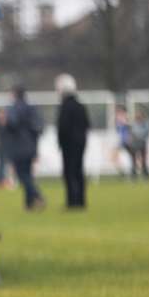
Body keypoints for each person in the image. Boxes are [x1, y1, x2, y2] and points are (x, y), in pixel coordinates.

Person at [3, 86, 44, 210]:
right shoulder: (32, 108)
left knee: (23, 176)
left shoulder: (14, 108)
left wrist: (5, 122)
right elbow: (38, 127)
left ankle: (37, 195)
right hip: (31, 146)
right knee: (28, 174)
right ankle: (29, 204)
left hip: (19, 147)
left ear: (15, 94)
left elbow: (13, 124)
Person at [55, 74, 89, 208]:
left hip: (68, 145)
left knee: (69, 173)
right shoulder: (81, 106)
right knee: (79, 172)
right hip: (80, 144)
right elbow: (87, 125)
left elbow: (63, 127)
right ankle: (81, 201)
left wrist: (61, 142)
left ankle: (72, 201)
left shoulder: (65, 107)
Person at [130, 109, 149, 179]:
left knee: (143, 159)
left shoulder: (146, 123)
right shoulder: (134, 123)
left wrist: (139, 136)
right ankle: (134, 174)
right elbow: (132, 132)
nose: (138, 117)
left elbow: (146, 132)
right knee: (134, 159)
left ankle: (145, 174)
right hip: (135, 143)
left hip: (142, 143)